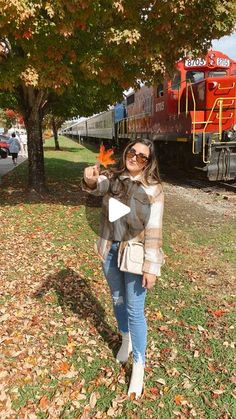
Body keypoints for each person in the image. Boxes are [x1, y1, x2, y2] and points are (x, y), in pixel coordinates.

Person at [82, 139, 164, 399]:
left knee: (134, 309)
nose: (135, 158)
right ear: (126, 152)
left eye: (142, 157)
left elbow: (153, 231)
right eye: (132, 152)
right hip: (111, 252)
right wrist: (91, 179)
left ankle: (138, 364)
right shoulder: (113, 178)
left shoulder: (154, 190)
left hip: (135, 256)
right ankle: (125, 339)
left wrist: (151, 267)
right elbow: (96, 188)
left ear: (148, 162)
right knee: (118, 300)